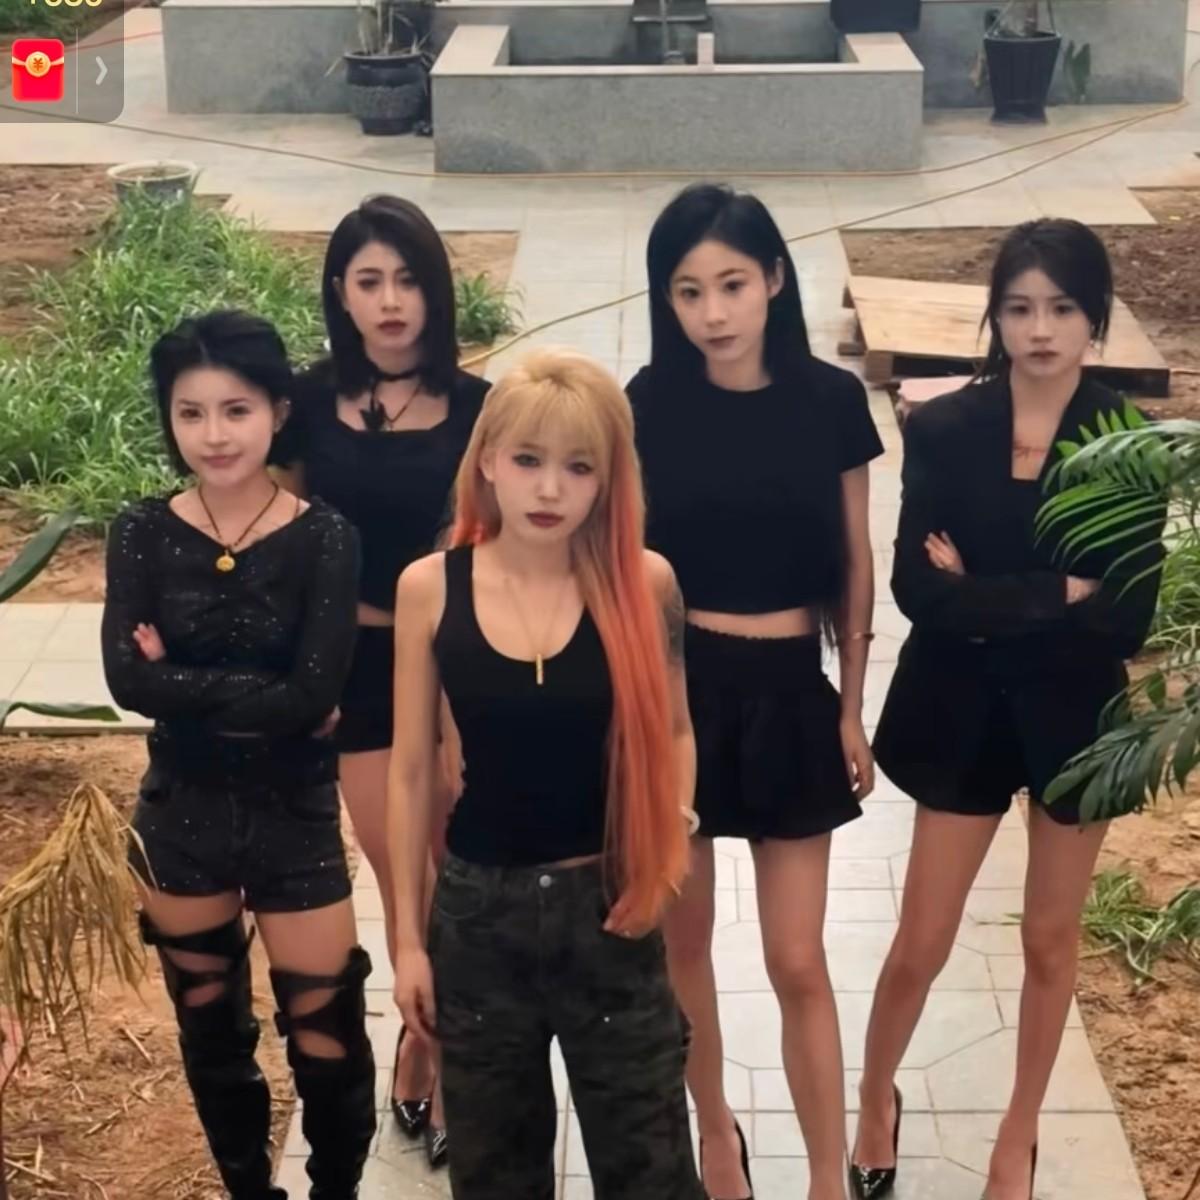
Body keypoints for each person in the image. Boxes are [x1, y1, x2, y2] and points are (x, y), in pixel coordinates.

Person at [850, 219, 1166, 1200]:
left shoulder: (1130, 442)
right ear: (995, 316)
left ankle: (1017, 1138)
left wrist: (986, 590)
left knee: (1048, 940)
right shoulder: (944, 427)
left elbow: (1128, 614)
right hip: (961, 710)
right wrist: (1058, 592)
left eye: (1062, 308)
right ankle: (873, 1096)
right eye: (1021, 308)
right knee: (922, 939)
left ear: (1094, 319)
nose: (1040, 329)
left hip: (1074, 720)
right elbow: (918, 590)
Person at [388, 348, 705, 1200]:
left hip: (611, 907)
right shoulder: (430, 588)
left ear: (608, 480)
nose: (550, 489)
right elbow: (410, 773)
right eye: (528, 460)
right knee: (496, 1177)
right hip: (479, 918)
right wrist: (407, 942)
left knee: (653, 1174)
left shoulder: (644, 583)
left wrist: (665, 857)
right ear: (488, 461)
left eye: (579, 467)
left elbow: (678, 732)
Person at [627, 182, 884, 1200]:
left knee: (796, 959)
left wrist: (850, 706)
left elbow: (857, 564)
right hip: (679, 693)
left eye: (732, 284)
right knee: (682, 942)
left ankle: (826, 1177)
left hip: (789, 692)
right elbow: (623, 565)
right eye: (689, 291)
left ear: (775, 278)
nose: (714, 312)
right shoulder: (648, 404)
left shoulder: (830, 401)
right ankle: (717, 1138)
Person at [101, 310, 375, 1200]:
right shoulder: (140, 531)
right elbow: (125, 682)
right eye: (191, 413)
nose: (214, 435)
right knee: (211, 1033)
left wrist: (178, 678)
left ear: (277, 412)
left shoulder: (325, 536)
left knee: (329, 1036)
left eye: (236, 410)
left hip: (294, 812)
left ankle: (334, 1190)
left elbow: (313, 695)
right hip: (179, 812)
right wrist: (268, 695)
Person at [277, 194, 490, 1165]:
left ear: (436, 292)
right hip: (357, 670)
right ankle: (429, 1038)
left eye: (409, 279)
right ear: (341, 293)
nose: (392, 300)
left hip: (459, 665)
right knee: (405, 866)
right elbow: (281, 543)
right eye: (370, 281)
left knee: (458, 862)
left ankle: (440, 1045)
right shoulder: (305, 405)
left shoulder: (479, 407)